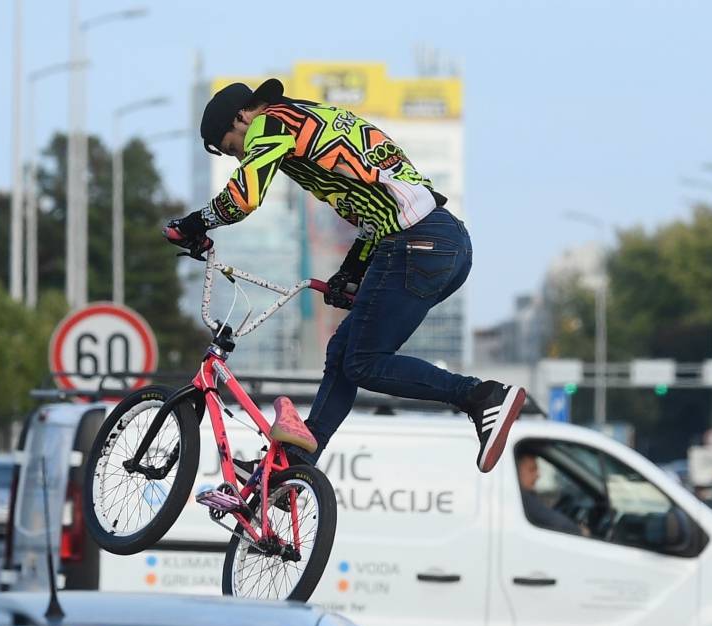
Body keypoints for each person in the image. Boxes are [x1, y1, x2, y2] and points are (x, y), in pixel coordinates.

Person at [165, 78, 527, 490]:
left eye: (233, 147)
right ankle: (294, 463)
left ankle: (481, 397)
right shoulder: (316, 119)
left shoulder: (270, 123)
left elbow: (245, 196)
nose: (240, 156)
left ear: (243, 116)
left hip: (414, 243)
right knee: (342, 351)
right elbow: (375, 199)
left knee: (364, 361)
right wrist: (351, 271)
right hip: (444, 242)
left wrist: (193, 224)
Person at [517, 451, 585, 537]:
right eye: (531, 470)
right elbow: (559, 523)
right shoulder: (522, 499)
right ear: (516, 470)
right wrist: (579, 531)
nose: (538, 475)